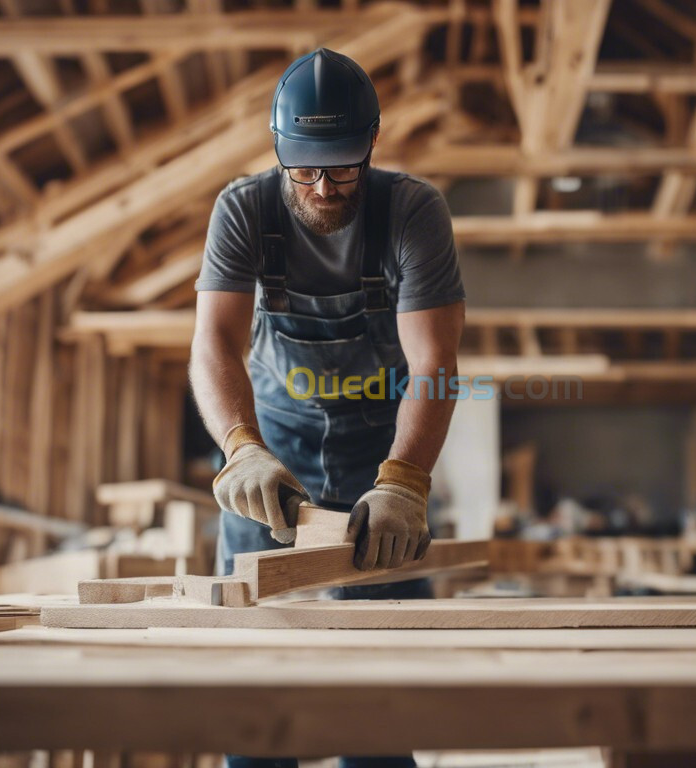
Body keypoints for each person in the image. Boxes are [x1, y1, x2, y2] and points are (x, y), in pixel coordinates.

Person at [188, 47, 466, 768]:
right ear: (279, 152)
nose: (320, 185)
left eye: (340, 166)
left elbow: (434, 364)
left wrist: (405, 480)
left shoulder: (412, 212)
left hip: (381, 449)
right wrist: (240, 446)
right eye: (302, 167)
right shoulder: (243, 208)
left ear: (372, 143)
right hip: (269, 453)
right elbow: (214, 343)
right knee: (254, 692)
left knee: (377, 699)